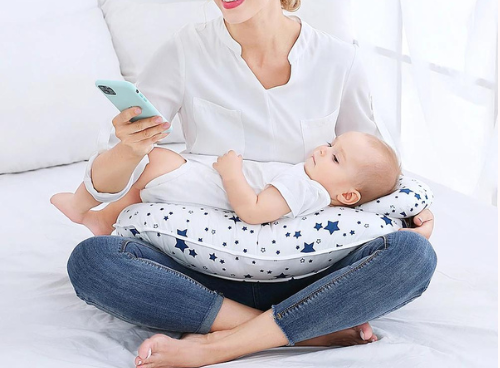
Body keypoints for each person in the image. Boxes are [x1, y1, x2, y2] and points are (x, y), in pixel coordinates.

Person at [65, 0, 436, 368]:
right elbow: (112, 178)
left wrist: (412, 206)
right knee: (94, 261)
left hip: (312, 267)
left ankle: (221, 343)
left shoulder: (338, 61)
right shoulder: (186, 50)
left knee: (411, 256)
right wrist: (129, 146)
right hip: (198, 267)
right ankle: (297, 327)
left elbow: (369, 168)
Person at [51, 131, 401, 233]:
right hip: (201, 182)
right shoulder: (314, 183)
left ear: (348, 194)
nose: (324, 151)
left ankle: (81, 204)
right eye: (330, 145)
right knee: (143, 182)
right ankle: (102, 218)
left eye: (336, 158)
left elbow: (253, 211)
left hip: (206, 186)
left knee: (151, 160)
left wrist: (232, 172)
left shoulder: (305, 187)